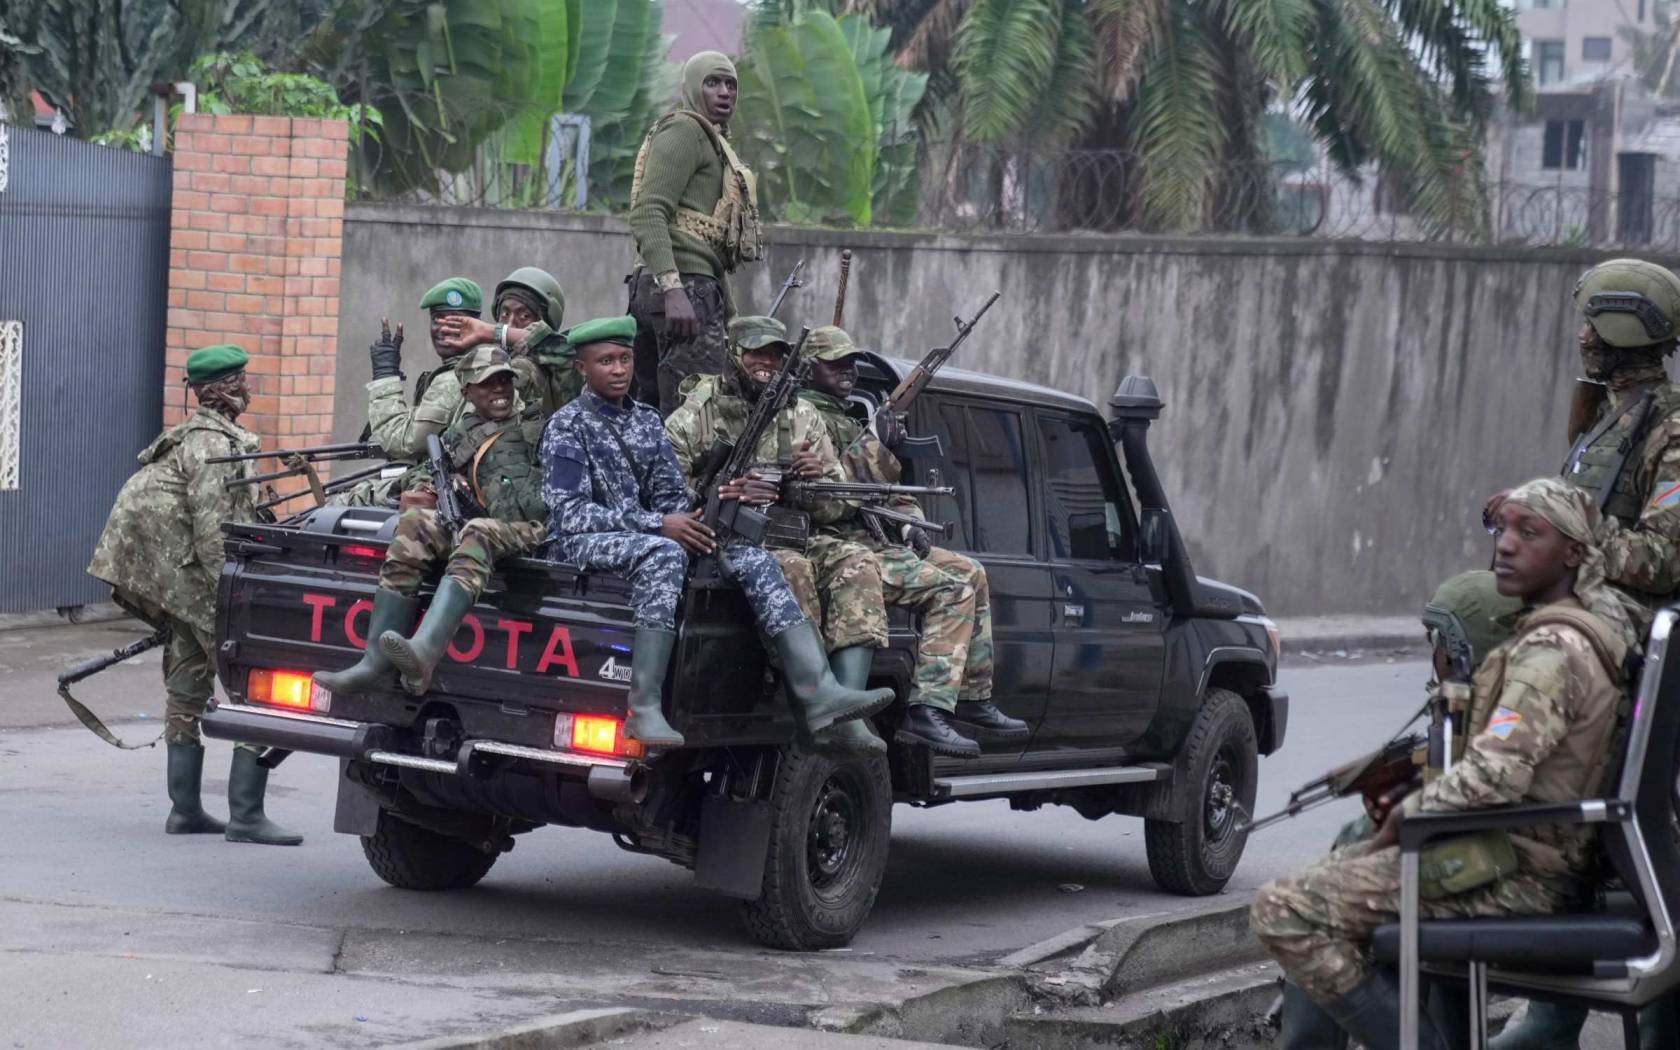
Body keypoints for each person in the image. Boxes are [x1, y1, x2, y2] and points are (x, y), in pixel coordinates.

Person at [1252, 477, 1635, 1050]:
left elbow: (1495, 775)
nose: (1504, 545)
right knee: (1320, 884)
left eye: (1528, 533)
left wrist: (1408, 814)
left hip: (1517, 873)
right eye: (1502, 529)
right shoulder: (1578, 632)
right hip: (1525, 857)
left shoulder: (1553, 653)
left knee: (1284, 909)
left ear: (1574, 554)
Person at [541, 316, 894, 750]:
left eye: (625, 359)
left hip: (646, 536)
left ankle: (817, 690)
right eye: (606, 361)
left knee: (751, 554)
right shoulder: (568, 424)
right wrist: (660, 525)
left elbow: (672, 495)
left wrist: (706, 514)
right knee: (666, 554)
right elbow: (568, 514)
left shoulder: (647, 422)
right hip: (581, 541)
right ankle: (644, 705)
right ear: (582, 368)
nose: (618, 370)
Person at [1274, 568, 1521, 1049]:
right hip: (1491, 855)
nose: (1436, 655)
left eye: (1444, 642)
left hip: (1501, 863)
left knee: (1307, 908)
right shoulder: (1501, 700)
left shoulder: (1510, 714)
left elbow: (1489, 789)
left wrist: (1407, 811)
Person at [87, 344, 302, 846]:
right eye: (240, 380)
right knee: (255, 684)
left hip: (180, 583)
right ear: (220, 390)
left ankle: (185, 811)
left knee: (188, 684)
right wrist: (233, 595)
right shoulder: (211, 445)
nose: (248, 387)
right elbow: (213, 532)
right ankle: (246, 815)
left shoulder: (199, 437)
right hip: (202, 583)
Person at [797, 325, 1028, 757]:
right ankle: (926, 711)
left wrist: (909, 525)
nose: (847, 372)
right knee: (951, 590)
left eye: (850, 364)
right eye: (835, 365)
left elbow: (891, 494)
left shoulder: (850, 419)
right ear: (810, 370)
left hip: (874, 538)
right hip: (833, 543)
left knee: (971, 572)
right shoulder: (801, 418)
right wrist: (877, 445)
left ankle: (973, 697)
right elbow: (828, 494)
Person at [665, 316, 891, 752]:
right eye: (757, 354)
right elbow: (662, 487)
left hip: (792, 529)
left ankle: (847, 713)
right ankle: (811, 705)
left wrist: (816, 477)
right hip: (727, 536)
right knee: (793, 570)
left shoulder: (802, 415)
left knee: (859, 564)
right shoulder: (700, 410)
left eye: (775, 355)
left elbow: (840, 503)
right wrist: (720, 491)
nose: (766, 363)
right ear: (735, 355)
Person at [314, 347, 548, 697]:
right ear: (467, 391)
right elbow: (420, 473)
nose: (499, 390)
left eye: (505, 381)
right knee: (415, 525)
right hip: (477, 523)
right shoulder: (462, 432)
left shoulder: (536, 426)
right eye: (487, 384)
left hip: (525, 527)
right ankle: (374, 662)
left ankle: (424, 650)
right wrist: (437, 483)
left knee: (477, 532)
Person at [626, 50, 763, 414]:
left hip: (691, 286)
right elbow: (648, 211)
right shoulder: (685, 130)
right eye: (712, 82)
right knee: (694, 413)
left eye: (731, 85)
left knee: (654, 412)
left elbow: (706, 247)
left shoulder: (712, 142)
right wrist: (673, 288)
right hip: (679, 287)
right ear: (691, 87)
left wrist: (726, 307)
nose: (724, 93)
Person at [435, 267, 582, 416]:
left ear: (544, 325)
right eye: (505, 314)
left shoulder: (529, 368)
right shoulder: (492, 361)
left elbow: (566, 352)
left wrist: (496, 332)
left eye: (524, 316)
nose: (510, 324)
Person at [367, 277, 484, 460]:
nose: (443, 329)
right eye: (437, 319)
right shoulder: (480, 365)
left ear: (478, 327)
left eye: (455, 322)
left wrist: (385, 377)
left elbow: (400, 441)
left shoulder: (456, 379)